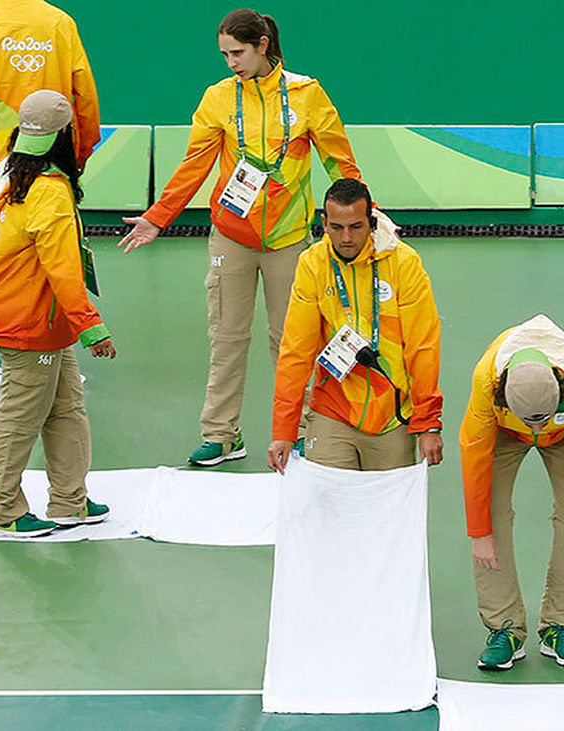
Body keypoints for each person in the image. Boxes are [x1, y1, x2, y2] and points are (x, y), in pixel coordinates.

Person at [117, 8, 361, 467]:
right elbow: (196, 164)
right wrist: (158, 217)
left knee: (291, 340)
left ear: (262, 46)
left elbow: (338, 160)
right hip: (231, 236)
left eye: (238, 52)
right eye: (225, 54)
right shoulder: (217, 98)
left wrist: (364, 212)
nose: (230, 62)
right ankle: (221, 434)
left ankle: (305, 431)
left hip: (289, 239)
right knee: (226, 338)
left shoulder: (308, 94)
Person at [0, 89, 114, 537]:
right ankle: (0, 510)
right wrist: (92, 328)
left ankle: (70, 500)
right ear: (64, 135)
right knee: (18, 419)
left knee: (67, 407)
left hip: (27, 315)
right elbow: (63, 269)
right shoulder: (49, 190)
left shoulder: (3, 174)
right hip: (33, 321)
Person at [459, 315, 564, 670]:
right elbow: (474, 456)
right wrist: (479, 533)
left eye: (542, 417)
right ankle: (505, 629)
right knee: (492, 516)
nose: (537, 427)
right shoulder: (487, 380)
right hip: (503, 432)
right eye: (530, 419)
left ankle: (559, 626)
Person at [267, 179, 442, 473]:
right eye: (336, 227)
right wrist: (284, 432)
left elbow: (423, 348)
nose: (346, 237)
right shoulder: (312, 264)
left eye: (356, 227)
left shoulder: (404, 263)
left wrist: (428, 425)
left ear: (371, 222)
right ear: (324, 223)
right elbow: (296, 352)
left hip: (391, 415)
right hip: (333, 410)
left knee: (387, 513)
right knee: (330, 507)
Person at [0, 0, 100, 181]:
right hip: (56, 152)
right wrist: (82, 153)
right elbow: (86, 93)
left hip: (1, 160)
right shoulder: (60, 22)